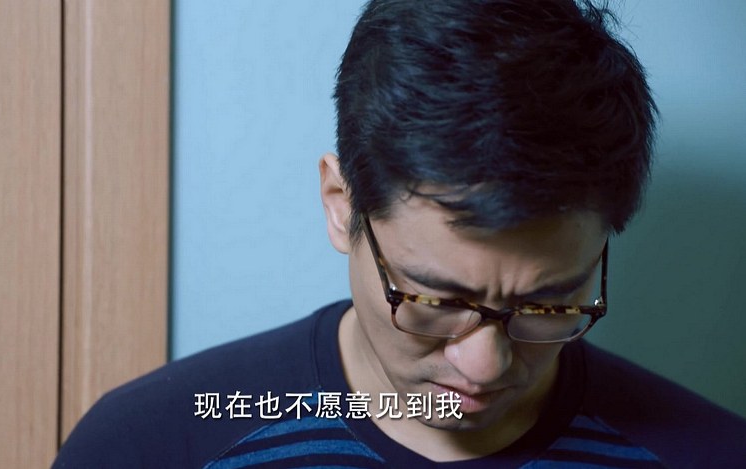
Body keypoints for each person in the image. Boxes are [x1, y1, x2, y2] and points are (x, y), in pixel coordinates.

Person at [53, 0, 746, 467]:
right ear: (340, 205)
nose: (484, 365)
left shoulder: (710, 453)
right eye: (435, 300)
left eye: (547, 304)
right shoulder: (150, 444)